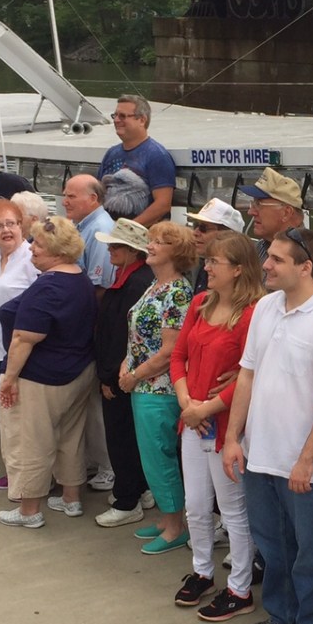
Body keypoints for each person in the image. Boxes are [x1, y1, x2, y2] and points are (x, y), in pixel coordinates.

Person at [221, 227, 313, 624]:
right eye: (269, 257)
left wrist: (306, 460)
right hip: (260, 454)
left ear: (306, 266)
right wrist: (233, 439)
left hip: (305, 466)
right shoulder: (265, 307)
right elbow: (247, 374)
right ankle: (281, 616)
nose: (266, 265)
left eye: (277, 259)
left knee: (309, 549)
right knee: (272, 544)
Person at [171, 232, 264, 620]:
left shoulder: (253, 314)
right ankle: (202, 570)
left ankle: (240, 588)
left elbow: (247, 376)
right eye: (206, 261)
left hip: (226, 426)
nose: (205, 268)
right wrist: (187, 403)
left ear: (238, 269)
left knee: (232, 509)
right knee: (195, 505)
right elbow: (178, 357)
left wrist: (206, 407)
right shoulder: (198, 305)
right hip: (193, 422)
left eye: (214, 262)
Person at [0, 218, 98, 529]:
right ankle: (71, 498)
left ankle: (29, 510)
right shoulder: (80, 279)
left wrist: (9, 378)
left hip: (41, 377)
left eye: (37, 244)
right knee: (71, 435)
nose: (31, 249)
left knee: (31, 441)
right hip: (79, 370)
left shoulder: (48, 287)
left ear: (55, 251)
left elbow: (23, 338)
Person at [119, 222, 194, 546]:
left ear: (176, 252)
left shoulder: (177, 291)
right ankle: (166, 518)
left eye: (159, 242)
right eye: (151, 240)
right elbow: (138, 337)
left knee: (160, 457)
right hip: (143, 385)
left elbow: (170, 351)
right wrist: (127, 365)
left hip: (160, 388)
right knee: (151, 456)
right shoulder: (156, 285)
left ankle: (176, 526)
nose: (150, 245)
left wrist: (134, 374)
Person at [87, 219, 156, 528]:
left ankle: (128, 499)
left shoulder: (136, 283)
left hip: (121, 377)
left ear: (132, 251)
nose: (109, 250)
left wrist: (109, 378)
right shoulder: (132, 278)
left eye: (115, 246)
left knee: (122, 438)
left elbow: (124, 337)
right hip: (121, 374)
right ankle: (138, 489)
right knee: (127, 436)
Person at [0, 199, 38, 486]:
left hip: (22, 349)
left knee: (23, 415)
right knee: (7, 413)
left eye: (11, 223)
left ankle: (29, 476)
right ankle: (15, 469)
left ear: (22, 225)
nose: (6, 230)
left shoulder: (31, 258)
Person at [61, 173, 116, 492]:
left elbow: (99, 291)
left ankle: (108, 466)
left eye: (72, 196)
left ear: (93, 200)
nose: (65, 201)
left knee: (98, 406)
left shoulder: (99, 230)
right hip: (84, 329)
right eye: (65, 195)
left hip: (94, 331)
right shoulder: (83, 227)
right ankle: (98, 460)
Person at [242, 167, 313, 288]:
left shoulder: (312, 257)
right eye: (252, 204)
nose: (251, 212)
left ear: (286, 212)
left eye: (259, 204)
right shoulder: (258, 248)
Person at [97, 95, 176, 226]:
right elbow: (99, 194)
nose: (116, 120)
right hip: (108, 230)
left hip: (142, 237)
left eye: (122, 116)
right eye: (114, 115)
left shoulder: (157, 156)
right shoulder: (111, 153)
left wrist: (126, 229)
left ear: (142, 120)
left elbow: (163, 204)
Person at [186, 197, 245, 293]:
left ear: (226, 234)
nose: (195, 233)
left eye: (203, 228)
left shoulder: (238, 281)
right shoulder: (201, 266)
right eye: (195, 226)